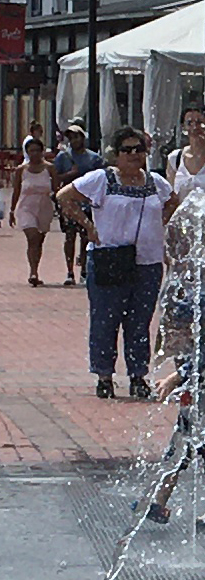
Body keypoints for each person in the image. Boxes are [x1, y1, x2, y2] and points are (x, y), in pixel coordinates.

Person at [55, 126, 178, 400]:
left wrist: (161, 225)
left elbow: (174, 203)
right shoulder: (102, 179)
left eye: (139, 150)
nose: (134, 155)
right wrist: (87, 225)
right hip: (109, 260)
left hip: (147, 262)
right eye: (127, 150)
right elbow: (64, 196)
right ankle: (104, 376)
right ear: (116, 154)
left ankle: (138, 375)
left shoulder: (156, 182)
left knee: (140, 321)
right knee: (105, 320)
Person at [142, 285, 205, 529]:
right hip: (190, 415)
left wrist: (173, 379)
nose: (182, 330)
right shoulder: (192, 347)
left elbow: (200, 366)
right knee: (175, 457)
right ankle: (159, 503)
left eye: (187, 324)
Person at [51, 123, 99, 285]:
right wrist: (69, 174)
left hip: (88, 203)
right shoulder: (63, 157)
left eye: (76, 136)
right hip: (69, 203)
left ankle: (84, 269)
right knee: (69, 236)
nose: (73, 140)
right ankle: (70, 271)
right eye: (70, 137)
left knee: (86, 236)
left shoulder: (94, 158)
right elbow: (56, 178)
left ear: (83, 138)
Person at [10, 135, 58, 285]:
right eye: (31, 151)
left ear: (42, 151)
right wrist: (12, 211)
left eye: (37, 150)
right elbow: (16, 190)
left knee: (39, 241)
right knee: (32, 237)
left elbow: (57, 189)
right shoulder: (21, 170)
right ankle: (33, 272)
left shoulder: (49, 168)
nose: (35, 154)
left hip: (44, 207)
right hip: (26, 207)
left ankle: (35, 268)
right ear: (27, 152)